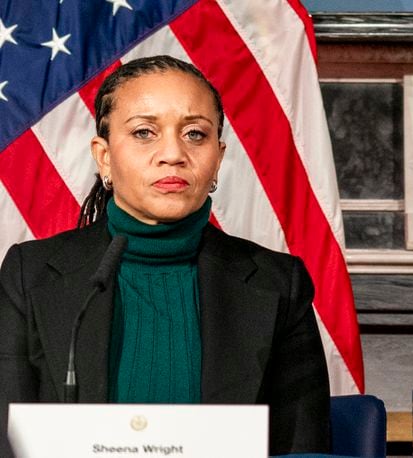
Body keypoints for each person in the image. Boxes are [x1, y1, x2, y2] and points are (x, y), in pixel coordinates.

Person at [0, 55, 329, 455]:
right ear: (104, 156)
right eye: (144, 132)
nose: (172, 153)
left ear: (218, 158)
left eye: (195, 134)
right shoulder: (29, 275)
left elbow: (302, 448)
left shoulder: (279, 284)